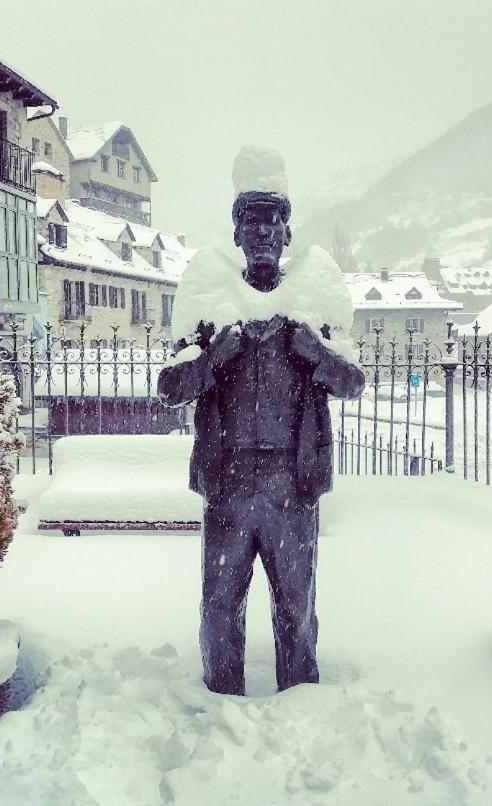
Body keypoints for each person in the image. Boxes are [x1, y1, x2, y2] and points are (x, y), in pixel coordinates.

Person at [158, 147, 365, 695]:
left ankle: (298, 698)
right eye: (251, 220)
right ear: (237, 231)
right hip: (227, 483)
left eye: (273, 220)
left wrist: (314, 352)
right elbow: (170, 389)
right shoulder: (209, 294)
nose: (263, 232)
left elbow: (353, 382)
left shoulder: (314, 292)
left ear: (287, 231)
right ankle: (221, 697)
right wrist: (211, 359)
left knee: (296, 603)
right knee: (220, 603)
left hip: (291, 486)